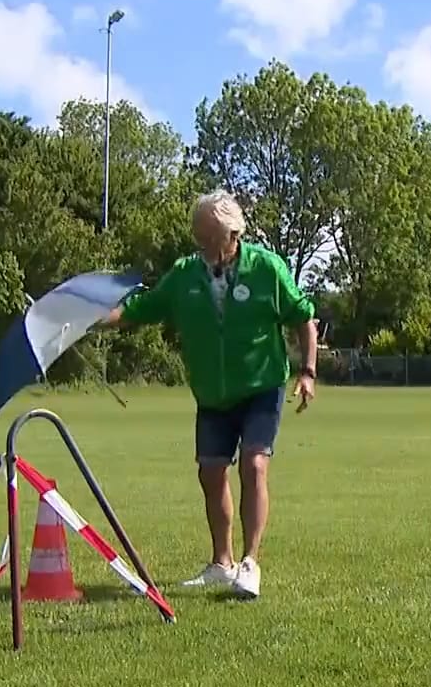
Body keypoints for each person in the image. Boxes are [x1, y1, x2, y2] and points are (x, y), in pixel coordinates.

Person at [99, 190, 318, 599]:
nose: (201, 245)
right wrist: (90, 321)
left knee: (253, 466)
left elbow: (304, 318)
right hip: (212, 395)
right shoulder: (185, 274)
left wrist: (308, 371)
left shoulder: (266, 268)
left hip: (261, 386)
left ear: (232, 234)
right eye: (198, 236)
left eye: (209, 237)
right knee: (210, 473)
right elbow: (138, 309)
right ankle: (222, 563)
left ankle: (249, 563)